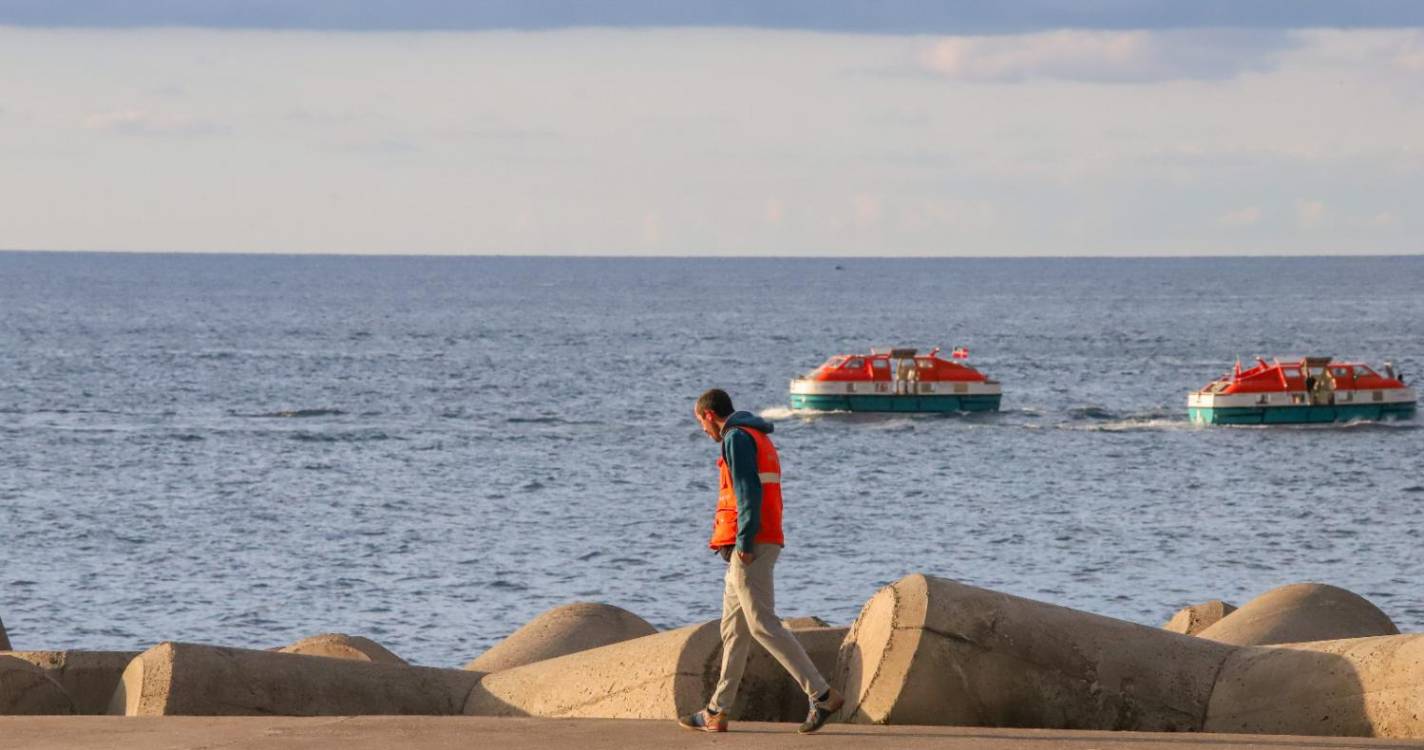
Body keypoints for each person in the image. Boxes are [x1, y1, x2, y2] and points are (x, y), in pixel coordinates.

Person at [678, 388, 843, 734]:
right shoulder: (755, 435)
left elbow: (747, 490)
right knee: (733, 630)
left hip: (751, 543)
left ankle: (822, 695)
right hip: (756, 539)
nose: (703, 432)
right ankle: (717, 711)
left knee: (761, 624)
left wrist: (745, 540)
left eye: (700, 423)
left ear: (709, 415)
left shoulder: (735, 438)